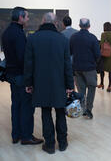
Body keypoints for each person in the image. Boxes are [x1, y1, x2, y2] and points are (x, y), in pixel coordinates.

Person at [24, 12, 74, 154]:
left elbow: (29, 64)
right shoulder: (62, 40)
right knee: (60, 112)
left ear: (42, 21)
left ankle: (50, 145)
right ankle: (63, 143)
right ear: (55, 22)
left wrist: (28, 83)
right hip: (60, 83)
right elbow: (67, 65)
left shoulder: (33, 39)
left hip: (40, 83)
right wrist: (70, 85)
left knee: (46, 113)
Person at [2, 6, 43, 145]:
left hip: (12, 74)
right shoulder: (18, 34)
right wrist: (29, 81)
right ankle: (26, 136)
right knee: (26, 106)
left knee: (16, 105)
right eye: (26, 16)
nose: (28, 19)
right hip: (20, 76)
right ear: (20, 18)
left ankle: (16, 134)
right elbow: (22, 59)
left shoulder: (7, 32)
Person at [70, 18, 100, 119]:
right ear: (89, 26)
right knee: (91, 89)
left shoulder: (73, 37)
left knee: (81, 90)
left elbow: (70, 52)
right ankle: (88, 109)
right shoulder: (92, 38)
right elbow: (97, 54)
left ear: (79, 25)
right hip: (90, 68)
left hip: (77, 68)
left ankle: (82, 109)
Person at [97, 22, 111, 92]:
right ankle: (109, 86)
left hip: (104, 55)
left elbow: (102, 44)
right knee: (110, 71)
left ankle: (102, 83)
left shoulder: (103, 34)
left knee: (102, 70)